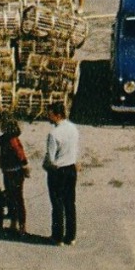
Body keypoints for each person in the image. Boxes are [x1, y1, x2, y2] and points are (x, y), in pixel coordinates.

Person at [43, 100, 79, 246]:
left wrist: (46, 164)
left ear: (57, 115)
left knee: (57, 204)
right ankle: (70, 236)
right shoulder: (73, 128)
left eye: (50, 115)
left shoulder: (53, 134)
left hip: (57, 171)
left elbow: (51, 158)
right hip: (71, 168)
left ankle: (57, 237)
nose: (48, 117)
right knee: (70, 203)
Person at [0, 118, 30, 235]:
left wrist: (25, 166)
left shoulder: (12, 140)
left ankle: (21, 226)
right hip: (9, 171)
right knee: (13, 197)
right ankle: (14, 224)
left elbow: (20, 154)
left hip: (14, 173)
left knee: (17, 198)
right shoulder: (6, 139)